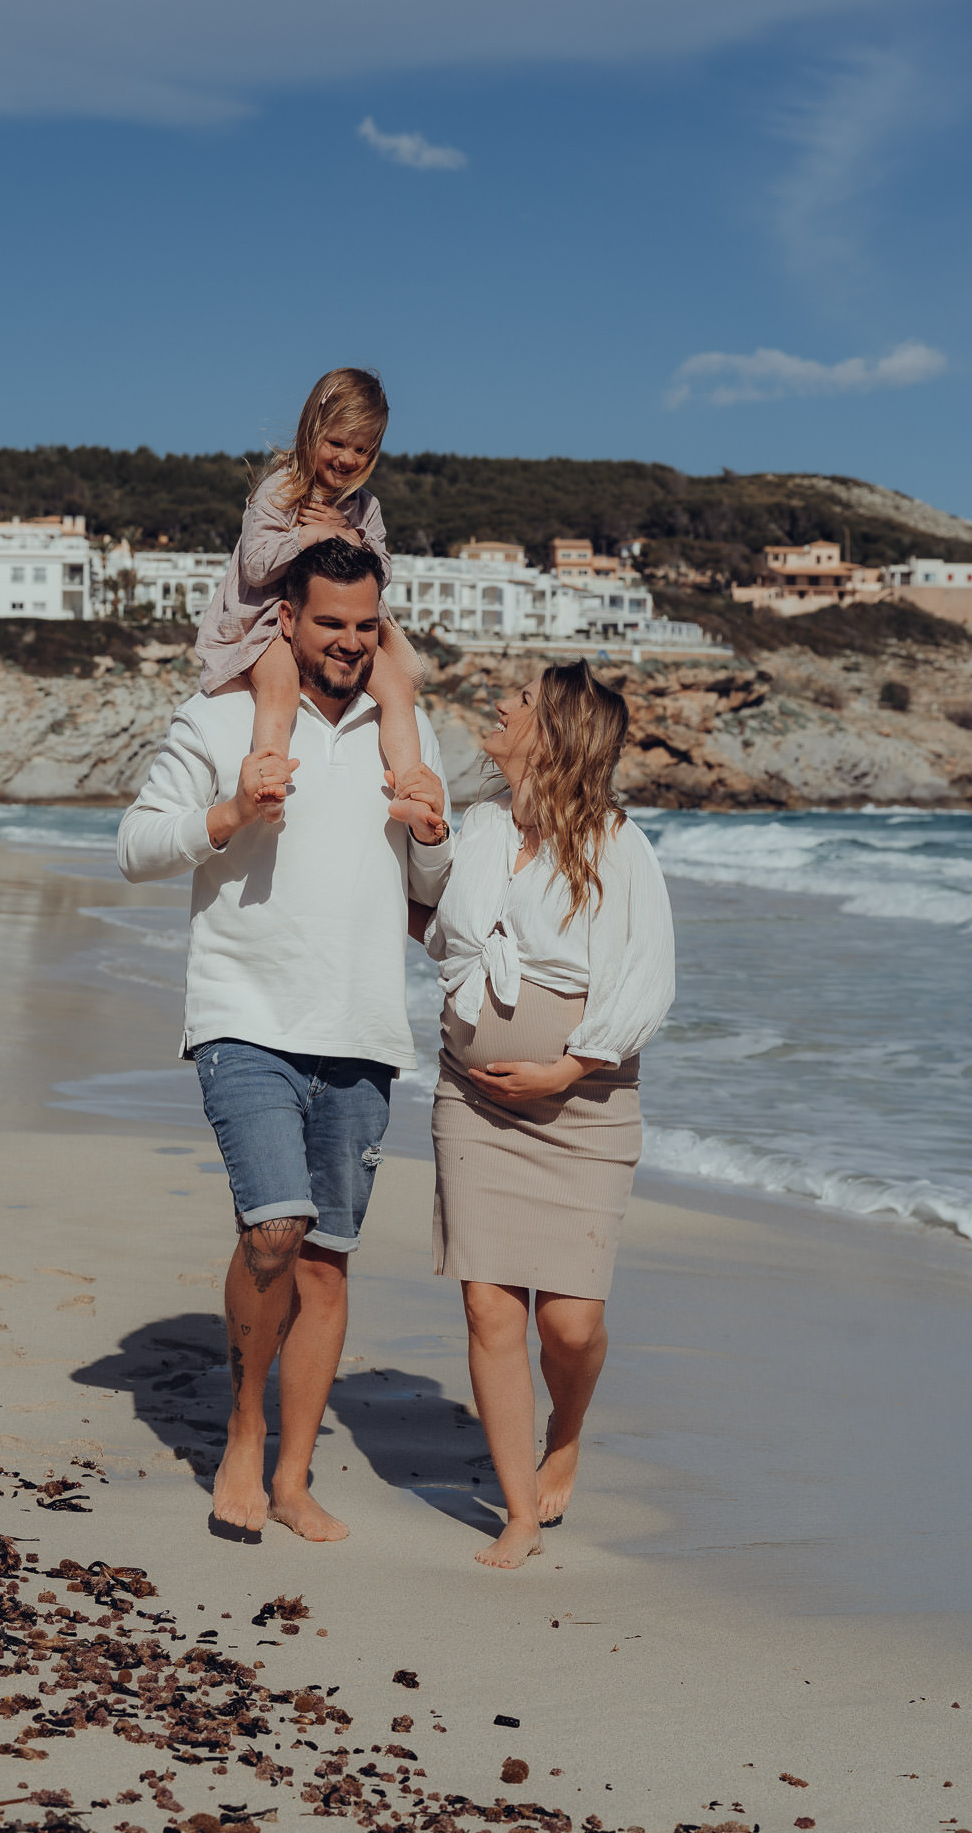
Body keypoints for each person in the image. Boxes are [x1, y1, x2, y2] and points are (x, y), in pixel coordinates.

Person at [117, 538, 453, 1540]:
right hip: (244, 1017)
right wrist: (229, 812)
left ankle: (294, 1477)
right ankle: (240, 1435)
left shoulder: (407, 731)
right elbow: (135, 845)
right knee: (271, 1230)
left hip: (361, 1028)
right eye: (327, 623)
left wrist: (432, 840)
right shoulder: (223, 717)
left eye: (363, 626)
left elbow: (430, 894)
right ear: (289, 621)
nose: (347, 643)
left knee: (324, 1261)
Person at [424, 661, 674, 1569]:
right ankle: (519, 1513)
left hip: (587, 1107)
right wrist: (419, 833)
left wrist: (567, 1069)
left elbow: (648, 978)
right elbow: (434, 919)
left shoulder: (616, 843)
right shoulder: (482, 826)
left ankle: (565, 1430)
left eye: (521, 698)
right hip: (474, 1101)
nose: (500, 702)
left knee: (566, 1324)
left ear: (557, 728)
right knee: (492, 1311)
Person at [195, 366, 441, 840]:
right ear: (312, 430)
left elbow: (382, 572)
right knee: (281, 686)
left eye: (362, 449)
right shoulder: (279, 491)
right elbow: (256, 567)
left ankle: (412, 787)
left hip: (334, 624)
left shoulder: (366, 508)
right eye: (337, 443)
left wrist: (348, 536)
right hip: (266, 622)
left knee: (398, 689)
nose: (347, 458)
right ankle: (267, 778)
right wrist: (311, 534)